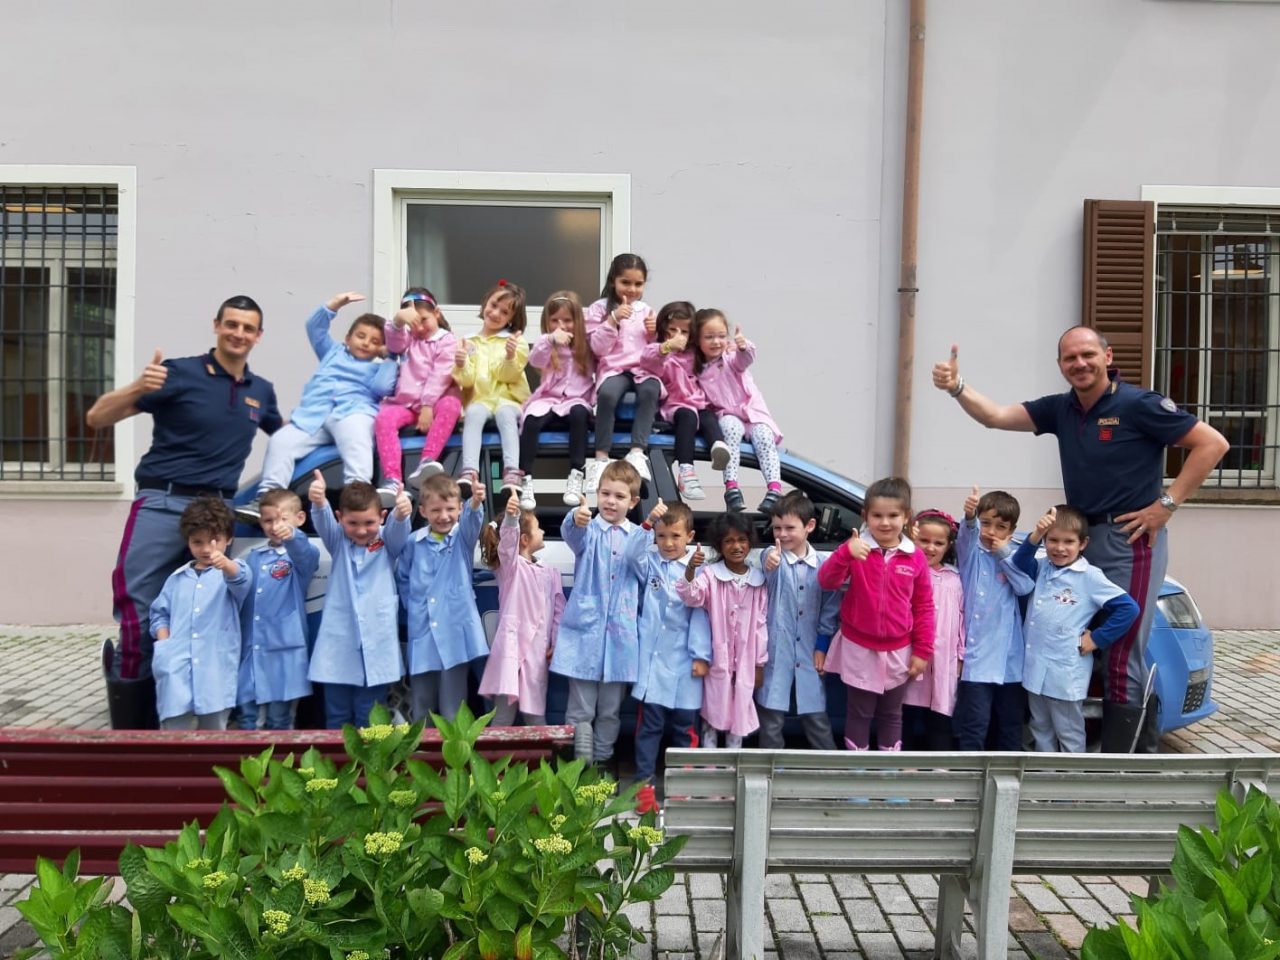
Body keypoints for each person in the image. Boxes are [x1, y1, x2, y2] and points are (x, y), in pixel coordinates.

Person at [932, 328, 1229, 750]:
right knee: (1076, 644)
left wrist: (1167, 503)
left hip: (1131, 538)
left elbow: (1212, 444)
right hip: (1078, 542)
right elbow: (995, 416)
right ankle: (1078, 751)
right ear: (1060, 366)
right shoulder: (1061, 409)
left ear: (1107, 356)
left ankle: (1119, 769)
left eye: (1088, 354)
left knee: (1122, 651)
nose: (1080, 364)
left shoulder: (1138, 404)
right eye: (1070, 358)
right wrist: (957, 387)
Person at [86, 294, 281, 726]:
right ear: (216, 325)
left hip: (216, 510)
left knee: (206, 617)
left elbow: (289, 438)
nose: (239, 334)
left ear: (259, 336)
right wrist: (140, 385)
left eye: (248, 328)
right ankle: (134, 730)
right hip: (162, 501)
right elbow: (98, 417)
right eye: (232, 324)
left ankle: (192, 719)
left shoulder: (260, 392)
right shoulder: (178, 373)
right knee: (139, 610)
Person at [240, 292, 397, 519]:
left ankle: (358, 497)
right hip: (313, 417)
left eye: (375, 341)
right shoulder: (331, 352)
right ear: (347, 338)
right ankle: (267, 498)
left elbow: (384, 387)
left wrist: (391, 356)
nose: (366, 343)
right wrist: (334, 305)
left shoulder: (377, 368)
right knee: (280, 441)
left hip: (353, 412)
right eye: (361, 336)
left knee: (356, 440)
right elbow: (314, 327)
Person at [817, 477, 934, 752]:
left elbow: (924, 606)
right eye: (877, 515)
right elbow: (827, 581)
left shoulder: (915, 557)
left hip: (899, 651)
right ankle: (858, 778)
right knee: (859, 713)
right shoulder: (856, 549)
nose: (885, 522)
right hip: (859, 648)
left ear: (906, 517)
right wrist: (845, 553)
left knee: (892, 714)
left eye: (893, 515)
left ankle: (887, 776)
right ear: (865, 516)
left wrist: (922, 651)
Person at [1010, 505, 1140, 753]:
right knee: (1040, 727)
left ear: (1083, 544)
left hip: (1065, 672)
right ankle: (1047, 782)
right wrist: (1036, 534)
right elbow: (1018, 562)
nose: (1059, 548)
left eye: (1068, 541)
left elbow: (1128, 609)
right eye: (1053, 540)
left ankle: (1071, 786)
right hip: (1035, 668)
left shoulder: (1090, 576)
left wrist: (1098, 638)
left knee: (1068, 731)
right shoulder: (1041, 566)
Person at [550, 459, 648, 766]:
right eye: (605, 494)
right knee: (580, 709)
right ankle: (578, 768)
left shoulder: (639, 536)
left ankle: (603, 764)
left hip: (619, 639)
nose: (610, 501)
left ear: (633, 502)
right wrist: (576, 517)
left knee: (610, 710)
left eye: (619, 497)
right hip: (586, 634)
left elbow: (644, 572)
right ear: (596, 494)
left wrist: (645, 534)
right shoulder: (588, 530)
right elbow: (572, 535)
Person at [625, 500, 711, 814]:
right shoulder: (650, 561)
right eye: (661, 536)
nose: (668, 543)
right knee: (648, 727)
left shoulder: (700, 568)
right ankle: (643, 786)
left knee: (685, 728)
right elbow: (630, 553)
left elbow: (702, 615)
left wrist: (702, 655)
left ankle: (683, 787)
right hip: (652, 662)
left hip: (686, 662)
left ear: (689, 535)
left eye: (675, 536)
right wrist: (647, 523)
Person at [306, 471, 411, 728]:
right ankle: (339, 768)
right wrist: (319, 502)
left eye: (369, 523)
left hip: (375, 644)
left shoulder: (387, 540)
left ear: (381, 518)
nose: (362, 530)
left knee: (370, 716)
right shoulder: (338, 540)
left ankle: (370, 769)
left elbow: (399, 531)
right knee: (337, 716)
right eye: (353, 523)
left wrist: (401, 513)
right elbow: (323, 521)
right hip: (339, 646)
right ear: (340, 519)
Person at [148, 497, 250, 730]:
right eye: (198, 542)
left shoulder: (233, 573)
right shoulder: (177, 579)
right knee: (174, 729)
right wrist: (165, 643)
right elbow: (159, 613)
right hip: (176, 666)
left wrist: (224, 563)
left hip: (215, 668)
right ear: (188, 542)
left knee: (214, 732)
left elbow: (241, 580)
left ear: (229, 539)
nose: (206, 549)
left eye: (214, 541)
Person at [400, 473, 489, 723]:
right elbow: (403, 579)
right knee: (422, 707)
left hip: (454, 633)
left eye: (450, 509)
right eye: (436, 510)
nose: (443, 516)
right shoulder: (413, 543)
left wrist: (475, 502)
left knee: (453, 708)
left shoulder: (462, 538)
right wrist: (414, 607)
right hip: (423, 632)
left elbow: (473, 523)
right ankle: (423, 758)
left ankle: (456, 760)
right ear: (423, 511)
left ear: (460, 509)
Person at [678, 512, 769, 749]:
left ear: (750, 542)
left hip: (746, 660)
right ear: (719, 545)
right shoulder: (711, 575)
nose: (736, 546)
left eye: (742, 540)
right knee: (713, 714)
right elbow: (692, 596)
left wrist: (759, 664)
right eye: (729, 541)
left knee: (739, 712)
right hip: (718, 657)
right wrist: (690, 569)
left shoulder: (758, 580)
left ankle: (731, 767)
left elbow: (760, 625)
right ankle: (709, 768)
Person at [757, 491, 840, 750]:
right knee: (771, 718)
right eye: (777, 528)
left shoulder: (824, 565)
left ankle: (832, 772)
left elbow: (830, 609)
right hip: (775, 650)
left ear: (809, 526)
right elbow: (768, 561)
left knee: (816, 715)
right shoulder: (774, 557)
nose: (782, 534)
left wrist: (823, 645)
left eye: (790, 528)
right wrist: (770, 559)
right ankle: (768, 774)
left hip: (810, 649)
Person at [953, 487, 1034, 751]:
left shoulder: (1011, 557)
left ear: (1011, 531)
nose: (991, 532)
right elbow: (967, 536)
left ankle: (1008, 783)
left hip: (1010, 659)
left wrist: (1003, 554)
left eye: (1000, 527)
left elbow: (1024, 587)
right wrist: (968, 517)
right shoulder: (971, 555)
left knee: (1010, 725)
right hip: (976, 659)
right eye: (985, 523)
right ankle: (968, 782)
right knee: (975, 723)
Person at [478, 491, 566, 726]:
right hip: (511, 650)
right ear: (525, 539)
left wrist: (555, 642)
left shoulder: (550, 572)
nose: (544, 531)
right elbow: (508, 543)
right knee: (503, 716)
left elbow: (559, 612)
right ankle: (494, 761)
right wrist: (511, 518)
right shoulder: (511, 568)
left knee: (536, 714)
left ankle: (540, 762)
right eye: (539, 528)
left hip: (537, 653)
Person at [235, 488, 320, 730]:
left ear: (300, 519)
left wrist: (293, 535)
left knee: (279, 721)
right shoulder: (253, 557)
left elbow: (302, 550)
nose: (275, 526)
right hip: (253, 651)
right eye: (269, 520)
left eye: (283, 519)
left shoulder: (303, 555)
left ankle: (280, 768)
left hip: (285, 653)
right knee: (247, 719)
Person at [691, 309, 784, 513]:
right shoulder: (697, 369)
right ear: (697, 340)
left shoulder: (731, 357)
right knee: (728, 431)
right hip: (728, 414)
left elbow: (744, 360)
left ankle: (775, 489)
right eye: (709, 337)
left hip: (752, 412)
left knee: (764, 437)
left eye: (721, 336)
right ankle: (732, 488)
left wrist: (743, 347)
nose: (716, 341)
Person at [374, 288, 463, 499]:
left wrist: (428, 405)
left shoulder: (446, 340)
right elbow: (394, 343)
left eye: (424, 320)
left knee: (451, 404)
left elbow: (440, 374)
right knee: (383, 419)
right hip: (403, 405)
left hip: (432, 404)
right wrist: (397, 321)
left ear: (437, 314)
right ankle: (393, 479)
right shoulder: (407, 339)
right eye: (414, 323)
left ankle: (427, 460)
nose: (420, 327)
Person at [638, 301, 731, 501]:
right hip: (675, 406)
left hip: (698, 403)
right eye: (672, 330)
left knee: (708, 418)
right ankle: (686, 471)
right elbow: (647, 359)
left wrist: (731, 347)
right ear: (663, 329)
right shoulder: (660, 351)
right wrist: (665, 347)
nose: (678, 336)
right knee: (688, 417)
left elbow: (715, 353)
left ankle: (717, 445)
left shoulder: (694, 354)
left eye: (684, 331)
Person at [584, 253, 660, 492]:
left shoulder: (646, 310)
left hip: (642, 368)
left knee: (651, 390)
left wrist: (655, 333)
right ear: (613, 281)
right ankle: (601, 456)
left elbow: (655, 350)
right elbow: (597, 348)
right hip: (614, 368)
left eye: (638, 284)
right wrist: (612, 320)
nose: (632, 289)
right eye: (625, 282)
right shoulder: (598, 309)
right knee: (607, 396)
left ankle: (637, 451)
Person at [452, 280, 530, 499]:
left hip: (509, 399)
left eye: (504, 312)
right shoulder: (467, 341)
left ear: (511, 318)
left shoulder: (516, 341)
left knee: (506, 414)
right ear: (486, 301)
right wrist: (461, 363)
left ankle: (512, 472)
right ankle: (469, 470)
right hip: (480, 399)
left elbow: (508, 375)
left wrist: (509, 355)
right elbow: (466, 382)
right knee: (474, 412)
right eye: (494, 305)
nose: (495, 313)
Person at [517, 291, 595, 510]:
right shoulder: (546, 343)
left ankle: (576, 474)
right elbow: (535, 359)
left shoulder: (586, 345)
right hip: (549, 398)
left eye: (568, 320)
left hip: (577, 399)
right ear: (547, 323)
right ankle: (525, 477)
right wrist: (550, 340)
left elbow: (603, 356)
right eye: (555, 320)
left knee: (580, 415)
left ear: (577, 321)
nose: (561, 325)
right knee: (531, 420)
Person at [901, 509, 965, 750]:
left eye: (938, 543)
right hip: (911, 653)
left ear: (948, 546)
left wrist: (960, 655)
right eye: (924, 540)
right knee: (905, 712)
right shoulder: (907, 571)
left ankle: (941, 772)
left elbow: (962, 620)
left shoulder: (954, 578)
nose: (930, 548)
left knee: (940, 716)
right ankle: (903, 768)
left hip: (943, 658)